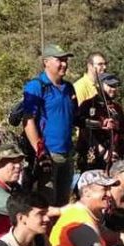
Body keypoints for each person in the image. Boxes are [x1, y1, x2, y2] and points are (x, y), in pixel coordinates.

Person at [21, 44, 77, 206]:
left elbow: (74, 116)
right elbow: (28, 120)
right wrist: (40, 151)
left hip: (67, 153)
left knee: (63, 203)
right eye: (59, 60)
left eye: (65, 60)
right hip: (48, 155)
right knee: (46, 203)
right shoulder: (36, 86)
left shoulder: (69, 87)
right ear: (46, 62)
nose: (64, 64)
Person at [75, 72, 124, 171]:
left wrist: (119, 151)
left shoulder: (117, 108)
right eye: (110, 86)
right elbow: (85, 131)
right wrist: (101, 150)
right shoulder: (87, 105)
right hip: (92, 157)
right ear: (98, 85)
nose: (113, 89)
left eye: (115, 86)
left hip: (114, 156)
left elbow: (122, 131)